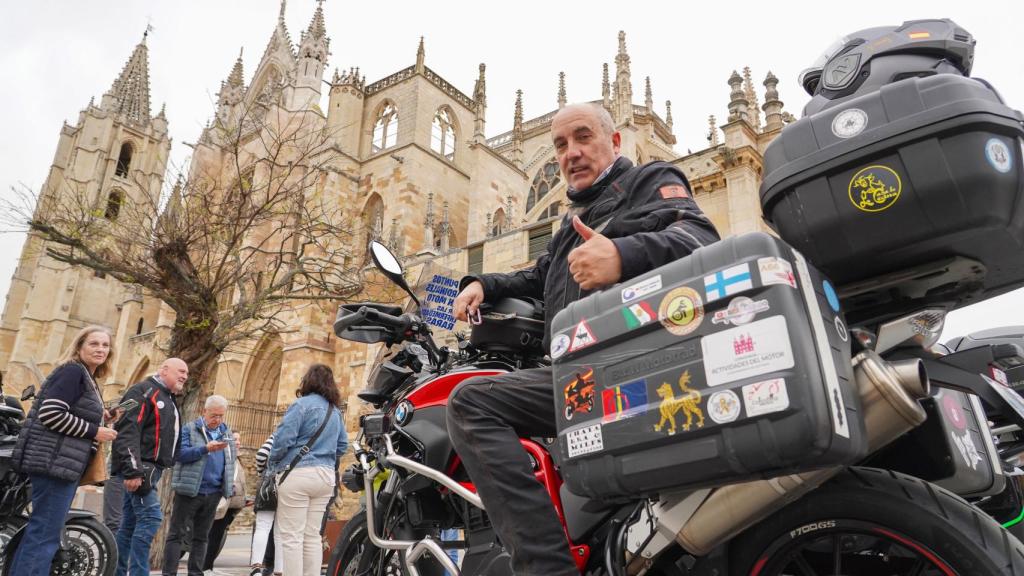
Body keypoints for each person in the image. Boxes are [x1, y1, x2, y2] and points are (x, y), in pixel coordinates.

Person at [448, 102, 720, 575]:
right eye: (560, 145)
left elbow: (701, 239)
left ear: (615, 142)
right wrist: (483, 284)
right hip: (584, 371)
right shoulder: (570, 227)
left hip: (630, 367)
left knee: (471, 404)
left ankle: (545, 567)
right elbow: (536, 277)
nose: (571, 153)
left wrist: (622, 254)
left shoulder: (648, 182)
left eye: (582, 137)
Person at [9, 325, 120, 576]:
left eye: (105, 345)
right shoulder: (72, 372)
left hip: (60, 464)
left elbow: (69, 411)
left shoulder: (85, 377)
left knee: (39, 532)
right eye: (94, 343)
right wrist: (94, 431)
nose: (101, 349)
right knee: (44, 535)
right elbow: (51, 414)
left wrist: (104, 417)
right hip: (53, 464)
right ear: (79, 346)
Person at [267, 364, 348, 576]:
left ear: (307, 381)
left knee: (292, 536)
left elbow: (283, 440)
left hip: (298, 473)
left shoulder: (301, 405)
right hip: (325, 476)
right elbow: (342, 446)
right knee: (312, 535)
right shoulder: (335, 412)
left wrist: (273, 463)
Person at [112, 358, 188, 576]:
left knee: (128, 525)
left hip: (150, 469)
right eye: (180, 371)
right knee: (151, 518)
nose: (184, 376)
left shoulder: (167, 397)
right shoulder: (142, 391)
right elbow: (127, 429)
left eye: (187, 373)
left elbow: (118, 410)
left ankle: (117, 571)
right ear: (164, 370)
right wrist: (132, 470)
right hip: (141, 470)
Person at [161, 394, 237, 576]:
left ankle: (195, 573)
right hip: (189, 491)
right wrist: (205, 449)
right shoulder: (189, 429)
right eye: (214, 415)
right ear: (204, 411)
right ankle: (168, 573)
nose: (217, 419)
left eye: (221, 416)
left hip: (213, 493)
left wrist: (227, 487)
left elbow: (231, 462)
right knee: (176, 534)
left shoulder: (227, 434)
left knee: (202, 537)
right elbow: (180, 455)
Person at [201, 431, 247, 571]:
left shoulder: (237, 458)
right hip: (221, 502)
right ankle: (205, 567)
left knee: (216, 537)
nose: (238, 442)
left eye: (239, 439)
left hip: (231, 505)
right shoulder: (224, 457)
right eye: (235, 439)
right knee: (212, 536)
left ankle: (207, 567)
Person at [249, 434, 283, 576]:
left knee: (263, 527)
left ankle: (256, 567)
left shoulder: (278, 435)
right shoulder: (302, 435)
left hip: (270, 484)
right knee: (281, 531)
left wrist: (262, 472)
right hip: (290, 484)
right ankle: (279, 570)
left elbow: (262, 454)